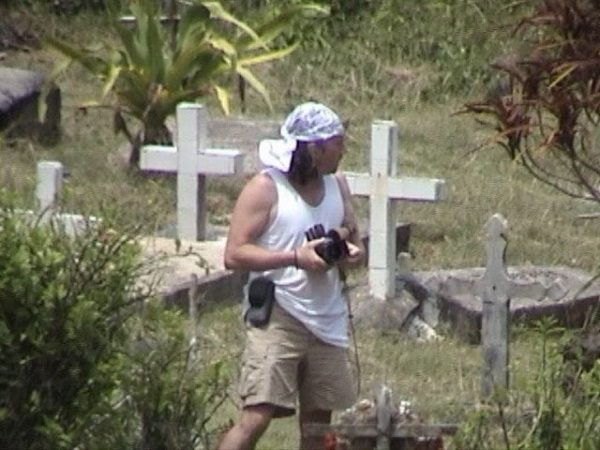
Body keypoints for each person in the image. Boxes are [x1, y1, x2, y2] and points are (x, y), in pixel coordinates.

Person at [219, 102, 366, 450]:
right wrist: (295, 258)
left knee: (318, 429)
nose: (343, 149)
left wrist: (349, 253)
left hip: (326, 319)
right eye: (337, 142)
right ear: (315, 147)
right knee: (256, 416)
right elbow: (233, 253)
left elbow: (355, 240)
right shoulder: (266, 188)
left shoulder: (338, 184)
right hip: (279, 314)